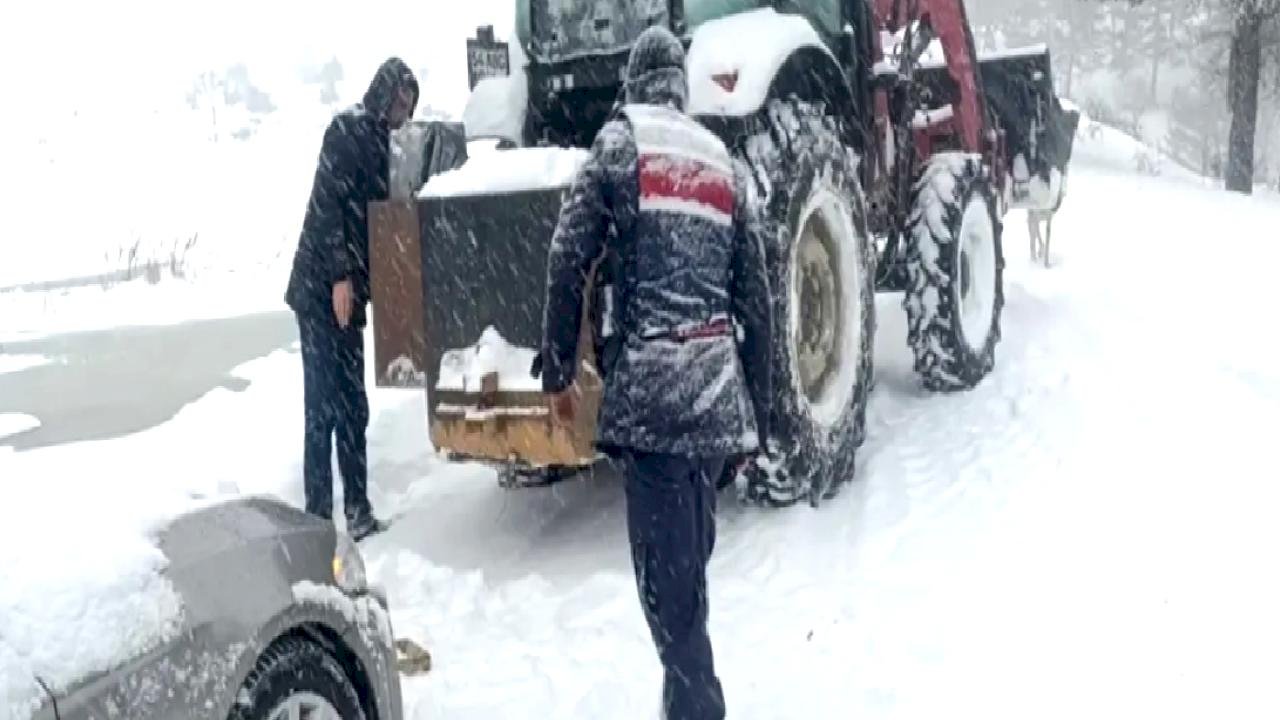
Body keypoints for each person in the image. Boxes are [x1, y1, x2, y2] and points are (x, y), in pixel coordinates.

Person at [535, 26, 773, 720]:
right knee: (686, 590)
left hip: (655, 407)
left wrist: (557, 371)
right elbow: (756, 301)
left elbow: (565, 257)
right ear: (682, 85)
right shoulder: (722, 161)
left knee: (672, 609)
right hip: (713, 412)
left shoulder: (619, 144)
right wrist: (755, 416)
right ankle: (686, 704)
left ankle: (698, 710)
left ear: (635, 84)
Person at [284, 57, 418, 541]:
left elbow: (383, 221)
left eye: (409, 104)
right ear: (383, 93)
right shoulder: (345, 131)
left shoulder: (392, 146)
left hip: (351, 297)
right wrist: (340, 275)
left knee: (353, 405)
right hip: (320, 293)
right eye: (399, 101)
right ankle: (318, 516)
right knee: (321, 406)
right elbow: (328, 207)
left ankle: (358, 510)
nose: (403, 111)